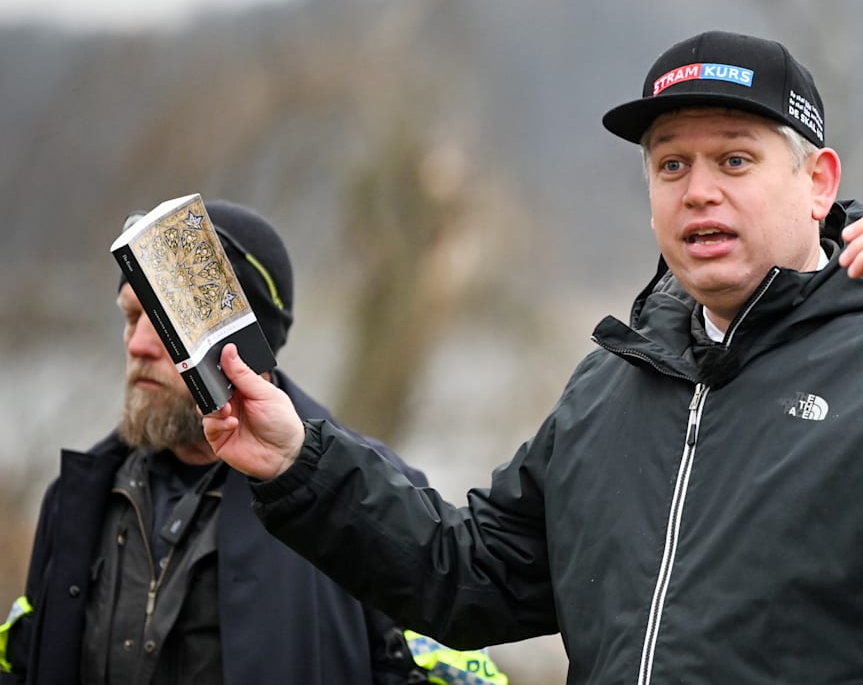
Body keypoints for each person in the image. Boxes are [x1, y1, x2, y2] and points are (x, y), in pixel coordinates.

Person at [203, 31, 863, 683]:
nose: (698, 191)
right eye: (671, 165)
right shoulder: (612, 384)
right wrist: (301, 459)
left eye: (734, 160)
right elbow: (468, 577)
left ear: (817, 182)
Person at [0, 201, 506, 684]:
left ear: (241, 344)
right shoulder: (76, 499)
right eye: (131, 318)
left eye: (166, 324)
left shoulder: (361, 500)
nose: (137, 345)